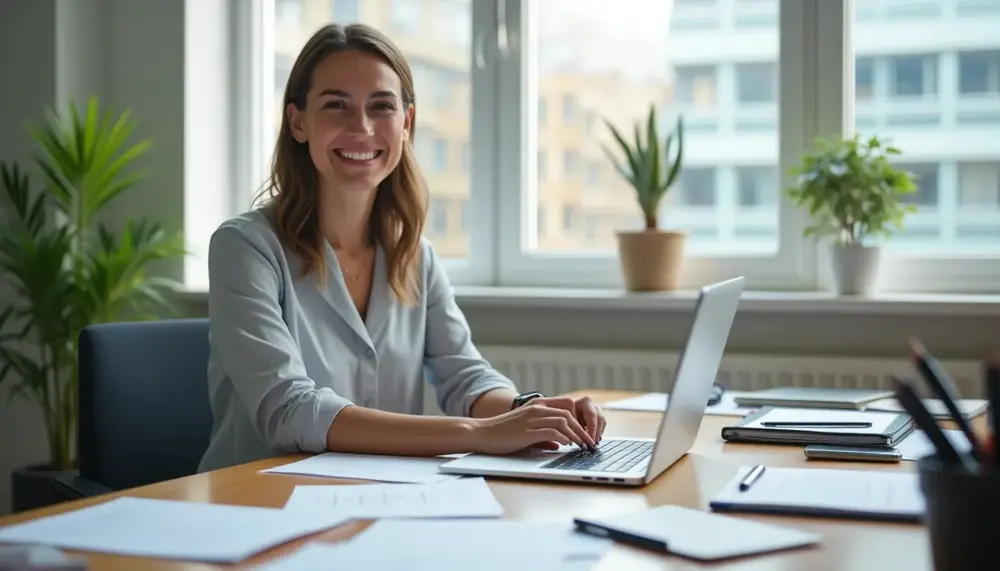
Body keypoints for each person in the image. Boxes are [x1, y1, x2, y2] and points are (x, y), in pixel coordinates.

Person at [197, 23, 607, 472]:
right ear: (298, 121)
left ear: (406, 123)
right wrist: (481, 435)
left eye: (382, 107)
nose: (362, 127)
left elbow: (464, 377)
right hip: (254, 504)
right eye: (336, 105)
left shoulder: (416, 256)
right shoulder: (245, 247)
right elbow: (289, 409)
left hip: (381, 501)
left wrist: (535, 411)